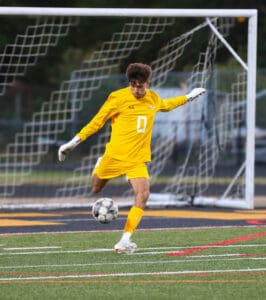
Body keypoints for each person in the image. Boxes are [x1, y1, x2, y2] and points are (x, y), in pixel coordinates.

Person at [58, 63, 206, 253]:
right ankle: (99, 163)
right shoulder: (117, 98)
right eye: (133, 85)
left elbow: (167, 106)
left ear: (148, 83)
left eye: (140, 85)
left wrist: (188, 97)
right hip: (114, 155)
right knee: (96, 188)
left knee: (143, 195)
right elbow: (97, 122)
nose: (137, 89)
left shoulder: (153, 98)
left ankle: (124, 240)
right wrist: (73, 142)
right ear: (129, 83)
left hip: (137, 159)